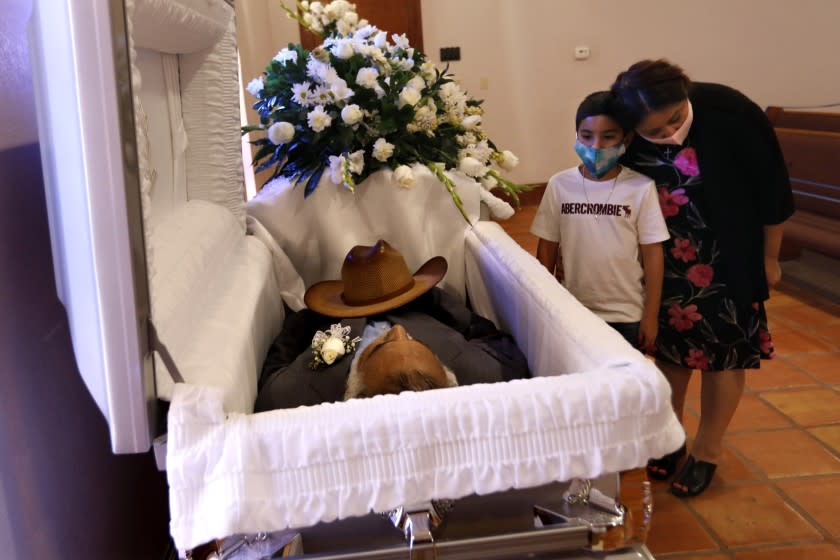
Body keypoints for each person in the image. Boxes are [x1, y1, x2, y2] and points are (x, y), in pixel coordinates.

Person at [610, 59, 794, 497]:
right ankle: (669, 440)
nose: (669, 132)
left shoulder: (731, 112)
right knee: (670, 354)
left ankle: (708, 451)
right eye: (654, 132)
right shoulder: (626, 130)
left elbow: (772, 186)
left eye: (675, 119)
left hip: (730, 255)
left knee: (724, 357)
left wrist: (770, 257)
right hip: (665, 263)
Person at [254, 240, 530, 412]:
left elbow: (280, 356)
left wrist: (320, 318)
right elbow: (486, 335)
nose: (397, 331)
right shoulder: (489, 372)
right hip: (414, 304)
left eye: (382, 345)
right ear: (448, 377)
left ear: (354, 385)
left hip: (338, 318)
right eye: (414, 342)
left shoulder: (295, 394)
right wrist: (430, 299)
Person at [530, 91, 669, 351]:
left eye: (608, 137)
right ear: (576, 136)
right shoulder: (560, 185)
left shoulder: (640, 188)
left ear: (625, 138)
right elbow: (547, 248)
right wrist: (542, 303)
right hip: (573, 309)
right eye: (586, 136)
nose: (596, 146)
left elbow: (652, 254)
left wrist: (650, 316)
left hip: (627, 315)